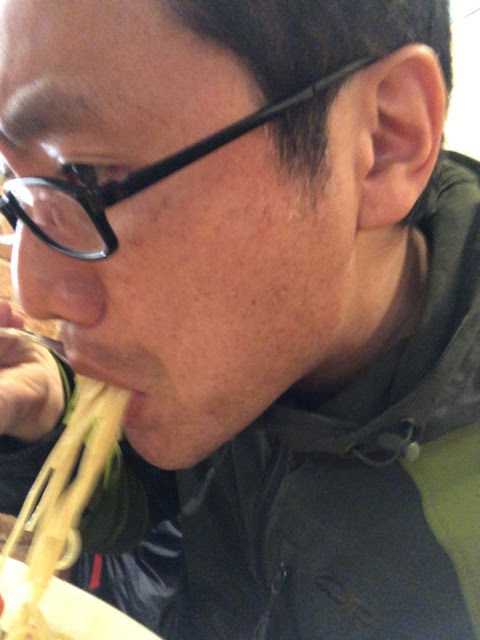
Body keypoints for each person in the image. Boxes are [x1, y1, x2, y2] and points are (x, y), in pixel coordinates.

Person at [0, 0, 478, 637]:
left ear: (383, 141)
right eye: (15, 183)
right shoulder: (251, 352)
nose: (35, 294)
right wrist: (49, 416)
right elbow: (159, 495)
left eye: (86, 176)